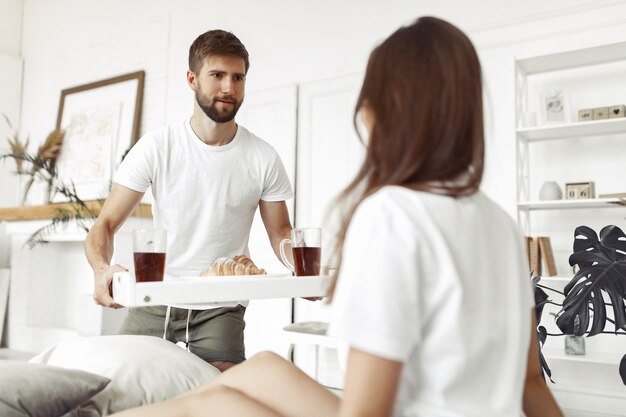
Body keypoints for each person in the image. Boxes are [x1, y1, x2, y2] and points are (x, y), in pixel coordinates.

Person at [111, 16, 563, 417]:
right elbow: (528, 382)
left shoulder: (390, 215)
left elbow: (368, 410)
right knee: (264, 368)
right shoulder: (500, 222)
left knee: (215, 402)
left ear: (380, 109)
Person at [85, 29, 294, 373]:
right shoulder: (157, 146)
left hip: (222, 302)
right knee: (118, 378)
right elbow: (105, 225)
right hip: (158, 293)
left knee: (221, 390)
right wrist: (101, 269)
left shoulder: (263, 157)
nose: (229, 87)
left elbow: (282, 233)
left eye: (238, 77)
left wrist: (303, 269)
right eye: (217, 75)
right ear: (192, 79)